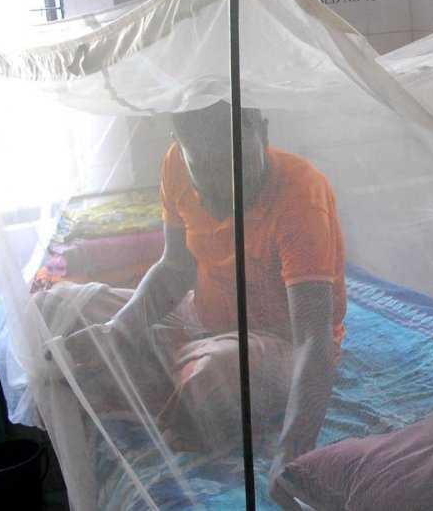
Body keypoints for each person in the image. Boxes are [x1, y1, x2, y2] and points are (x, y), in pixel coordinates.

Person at [52, 101, 346, 492]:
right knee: (61, 308)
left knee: (214, 379)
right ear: (180, 145)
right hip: (201, 315)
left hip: (281, 341)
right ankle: (170, 366)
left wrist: (293, 452)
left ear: (262, 131)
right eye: (204, 172)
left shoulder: (300, 195)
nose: (223, 194)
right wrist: (117, 329)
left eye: (236, 170)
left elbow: (312, 338)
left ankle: (165, 370)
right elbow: (176, 266)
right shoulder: (175, 162)